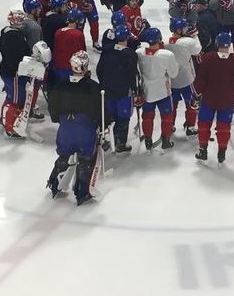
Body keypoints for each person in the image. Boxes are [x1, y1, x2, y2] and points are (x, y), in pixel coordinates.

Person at [46, 50, 103, 206]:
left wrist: (58, 119)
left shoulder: (61, 84)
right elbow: (101, 109)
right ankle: (82, 192)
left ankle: (55, 185)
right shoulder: (93, 87)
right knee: (85, 161)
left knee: (64, 156)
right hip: (85, 130)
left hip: (65, 128)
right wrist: (103, 124)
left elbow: (53, 104)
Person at [192, 32, 234, 166]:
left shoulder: (208, 58)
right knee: (224, 127)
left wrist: (196, 94)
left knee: (204, 124)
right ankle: (221, 153)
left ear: (217, 43)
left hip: (209, 99)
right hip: (227, 100)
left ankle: (203, 151)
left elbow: (201, 79)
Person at [97, 25, 139, 153]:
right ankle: (120, 143)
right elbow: (133, 75)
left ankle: (107, 139)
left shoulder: (107, 50)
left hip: (107, 90)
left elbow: (99, 70)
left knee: (110, 116)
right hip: (123, 92)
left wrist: (103, 83)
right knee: (123, 117)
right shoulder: (130, 54)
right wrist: (136, 90)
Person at [136, 28, 179, 151]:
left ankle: (148, 141)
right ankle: (166, 141)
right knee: (167, 117)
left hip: (147, 92)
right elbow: (174, 73)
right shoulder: (167, 55)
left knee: (147, 117)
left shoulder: (139, 53)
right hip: (163, 92)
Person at [0, 10, 32, 138]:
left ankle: (5, 119)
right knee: (16, 100)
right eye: (20, 20)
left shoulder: (6, 32)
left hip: (7, 70)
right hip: (14, 73)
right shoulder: (14, 36)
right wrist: (21, 66)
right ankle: (10, 127)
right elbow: (16, 56)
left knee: (10, 96)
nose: (22, 22)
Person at [165, 18, 202, 136]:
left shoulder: (165, 43)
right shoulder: (187, 42)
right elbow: (197, 49)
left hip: (172, 80)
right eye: (184, 28)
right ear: (179, 30)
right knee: (191, 103)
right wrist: (195, 35)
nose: (186, 30)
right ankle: (190, 126)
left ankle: (170, 126)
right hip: (187, 80)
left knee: (172, 105)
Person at [53, 9, 87, 82]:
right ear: (77, 21)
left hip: (57, 66)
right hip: (71, 69)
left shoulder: (58, 31)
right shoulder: (78, 34)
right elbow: (81, 54)